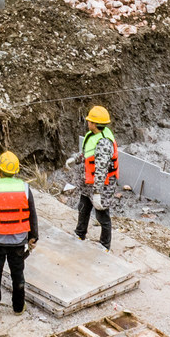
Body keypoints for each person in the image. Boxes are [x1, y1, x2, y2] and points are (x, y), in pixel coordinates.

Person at [0, 150, 38, 318]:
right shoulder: (25, 188)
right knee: (18, 275)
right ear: (16, 171)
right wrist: (33, 236)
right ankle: (18, 308)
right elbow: (32, 214)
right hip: (18, 241)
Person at [68, 105, 118, 251]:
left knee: (102, 215)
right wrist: (75, 159)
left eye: (90, 121)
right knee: (83, 208)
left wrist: (97, 193)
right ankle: (80, 233)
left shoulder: (104, 143)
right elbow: (87, 153)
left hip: (102, 185)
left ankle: (105, 245)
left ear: (95, 124)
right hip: (87, 183)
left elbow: (101, 171)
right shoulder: (93, 135)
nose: (87, 122)